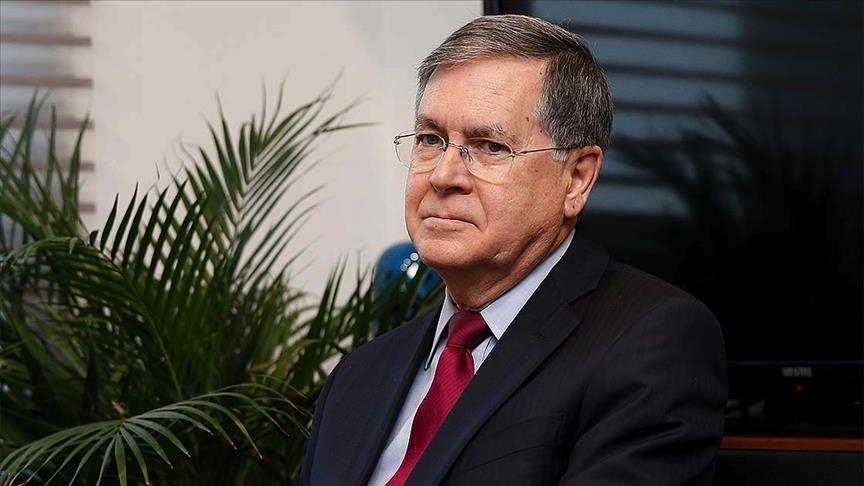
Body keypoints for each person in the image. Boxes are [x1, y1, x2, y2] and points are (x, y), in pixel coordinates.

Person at [301, 14, 727, 486]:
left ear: (577, 178)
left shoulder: (648, 343)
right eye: (430, 140)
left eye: (489, 147)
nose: (443, 175)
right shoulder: (358, 376)